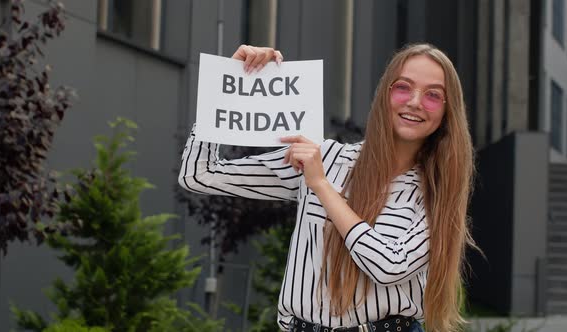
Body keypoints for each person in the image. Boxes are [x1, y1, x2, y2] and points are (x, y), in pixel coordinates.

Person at [179, 44, 476, 332]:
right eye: (403, 87)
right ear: (385, 94)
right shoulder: (325, 159)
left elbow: (388, 266)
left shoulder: (437, 195)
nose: (414, 101)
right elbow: (200, 174)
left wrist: (321, 186)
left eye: (433, 95)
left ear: (447, 112)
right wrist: (226, 85)